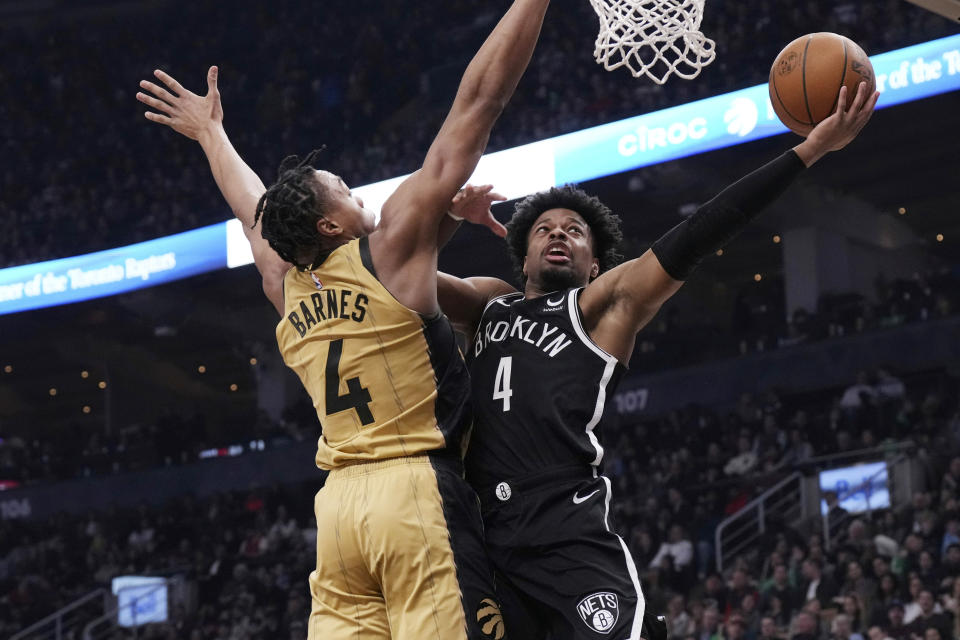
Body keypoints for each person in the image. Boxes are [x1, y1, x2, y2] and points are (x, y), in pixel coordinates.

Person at [135, 1, 551, 637]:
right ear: (332, 225)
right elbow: (478, 103)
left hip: (338, 513)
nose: (363, 197)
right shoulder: (385, 255)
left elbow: (253, 211)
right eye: (349, 192)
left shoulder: (285, 283)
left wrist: (211, 135)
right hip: (414, 494)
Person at [436, 82, 878, 639]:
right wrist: (443, 219)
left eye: (575, 232)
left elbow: (697, 233)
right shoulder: (486, 303)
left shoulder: (602, 305)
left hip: (563, 523)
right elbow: (401, 281)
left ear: (595, 264)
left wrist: (810, 149)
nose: (558, 235)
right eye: (544, 229)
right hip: (481, 532)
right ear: (521, 254)